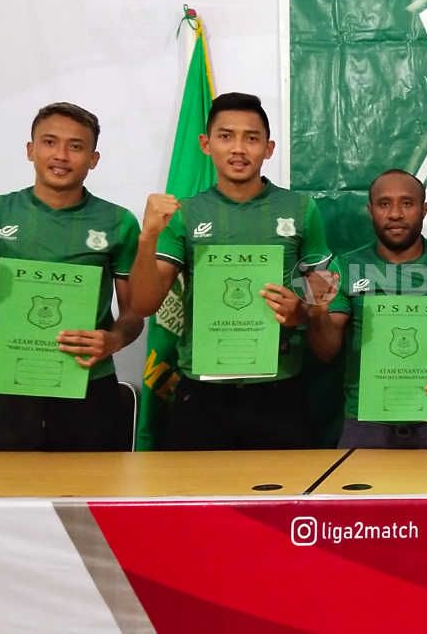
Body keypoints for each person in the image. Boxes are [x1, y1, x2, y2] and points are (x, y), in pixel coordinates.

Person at [0, 102, 142, 450]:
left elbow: (134, 314)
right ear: (30, 150)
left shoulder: (119, 222)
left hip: (91, 389)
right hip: (13, 387)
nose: (61, 155)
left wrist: (113, 341)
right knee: (1, 501)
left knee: (88, 502)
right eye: (49, 142)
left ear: (93, 158)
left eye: (76, 146)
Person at [129, 92, 333, 450]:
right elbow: (144, 304)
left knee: (278, 503)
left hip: (279, 390)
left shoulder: (301, 209)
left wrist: (300, 312)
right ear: (206, 144)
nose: (238, 148)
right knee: (198, 504)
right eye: (226, 136)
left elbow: (320, 298)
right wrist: (148, 237)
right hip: (201, 390)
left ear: (268, 148)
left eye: (251, 138)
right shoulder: (184, 213)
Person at [305, 169, 427, 448]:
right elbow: (326, 351)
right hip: (365, 419)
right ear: (370, 210)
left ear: (424, 209)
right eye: (384, 204)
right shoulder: (344, 267)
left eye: (407, 203)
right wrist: (316, 313)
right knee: (357, 491)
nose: (395, 214)